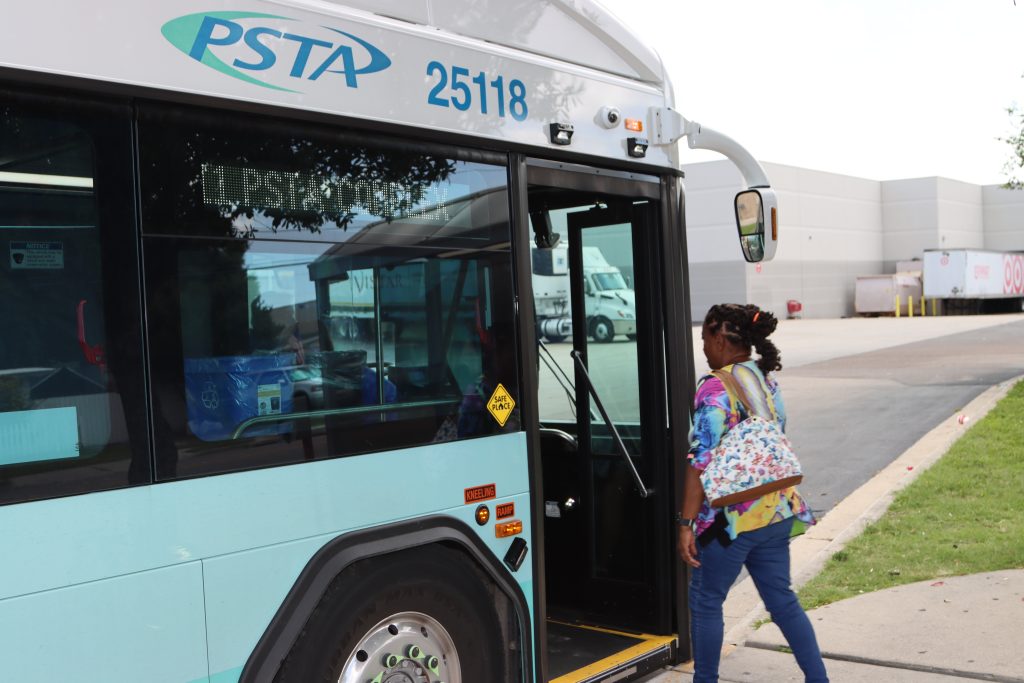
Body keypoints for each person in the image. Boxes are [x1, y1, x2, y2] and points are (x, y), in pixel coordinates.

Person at [678, 304, 828, 683]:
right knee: (783, 601)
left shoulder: (715, 386)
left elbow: (700, 460)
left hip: (730, 523)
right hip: (776, 511)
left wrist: (686, 523)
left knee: (707, 601)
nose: (703, 348)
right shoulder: (765, 380)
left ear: (719, 339)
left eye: (704, 339)